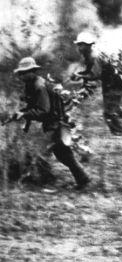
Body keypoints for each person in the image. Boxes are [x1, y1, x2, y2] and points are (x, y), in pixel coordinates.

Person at [13, 57, 90, 189]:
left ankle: (37, 181)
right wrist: (21, 114)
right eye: (21, 73)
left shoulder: (39, 86)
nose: (21, 76)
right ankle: (83, 179)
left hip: (54, 122)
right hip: (53, 122)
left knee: (42, 151)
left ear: (32, 72)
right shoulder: (31, 85)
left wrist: (25, 114)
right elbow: (32, 106)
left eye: (24, 72)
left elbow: (43, 110)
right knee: (63, 154)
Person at [72, 32, 122, 136]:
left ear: (88, 45)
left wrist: (80, 76)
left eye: (81, 45)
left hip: (114, 83)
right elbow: (90, 71)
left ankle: (119, 133)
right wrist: (79, 74)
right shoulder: (89, 55)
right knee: (115, 109)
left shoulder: (94, 56)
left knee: (109, 113)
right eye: (78, 45)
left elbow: (95, 75)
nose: (79, 48)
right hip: (110, 83)